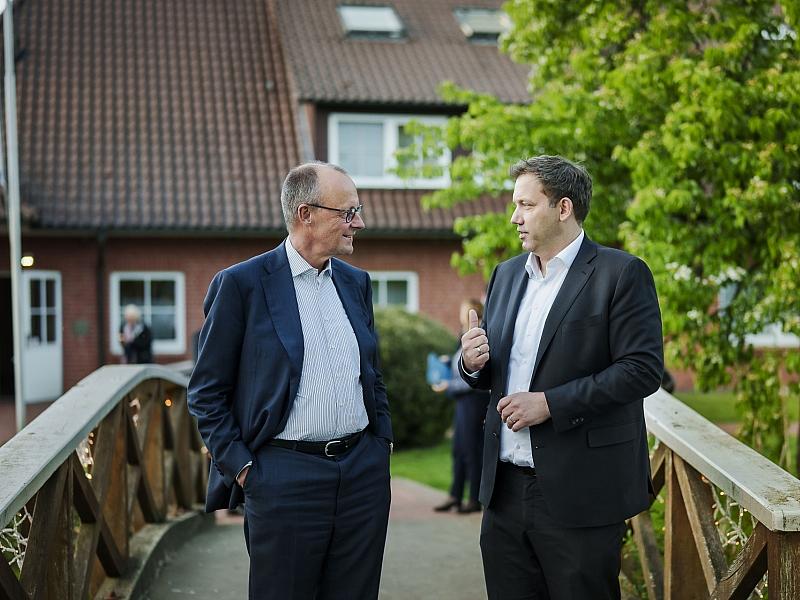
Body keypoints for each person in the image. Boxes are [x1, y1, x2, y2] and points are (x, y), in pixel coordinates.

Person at [459, 155, 663, 600]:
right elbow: (496, 370)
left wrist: (550, 403)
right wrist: (470, 363)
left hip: (582, 490)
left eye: (526, 205)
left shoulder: (622, 273)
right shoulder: (506, 274)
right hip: (504, 490)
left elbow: (642, 370)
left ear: (563, 208)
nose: (514, 217)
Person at [188, 161, 393, 600]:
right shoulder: (241, 285)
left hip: (362, 476)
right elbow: (206, 393)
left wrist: (382, 444)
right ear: (306, 214)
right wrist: (244, 469)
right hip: (282, 478)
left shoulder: (356, 283)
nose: (359, 222)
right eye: (348, 212)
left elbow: (371, 374)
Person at [433, 299, 490, 514]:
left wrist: (450, 385)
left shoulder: (480, 336)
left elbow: (476, 376)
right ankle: (455, 495)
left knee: (472, 450)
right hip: (462, 403)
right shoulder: (462, 337)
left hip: (474, 402)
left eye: (464, 311)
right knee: (458, 450)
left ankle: (474, 499)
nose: (461, 315)